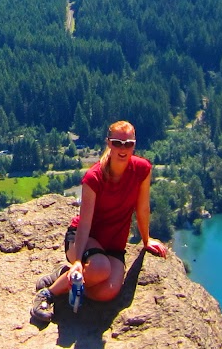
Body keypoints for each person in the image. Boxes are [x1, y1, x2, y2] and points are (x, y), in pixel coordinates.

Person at [31, 119, 168, 324]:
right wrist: (78, 260)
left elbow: (143, 208)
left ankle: (65, 275)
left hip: (113, 245)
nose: (123, 149)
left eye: (128, 144)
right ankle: (48, 294)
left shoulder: (142, 169)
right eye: (117, 143)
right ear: (109, 143)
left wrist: (146, 240)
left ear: (134, 144)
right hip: (82, 239)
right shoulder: (94, 177)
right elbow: (85, 223)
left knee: (108, 291)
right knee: (100, 269)